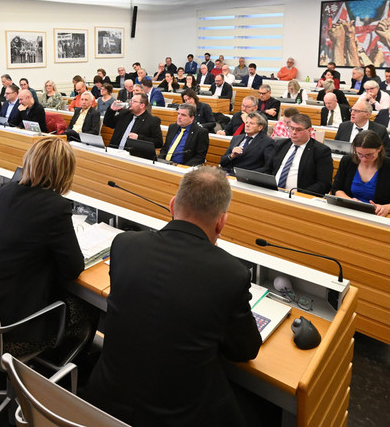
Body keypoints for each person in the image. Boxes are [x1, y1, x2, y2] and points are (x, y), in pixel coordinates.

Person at [84, 167, 262, 426]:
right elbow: (245, 350)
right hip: (178, 417)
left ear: (172, 206)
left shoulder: (124, 244)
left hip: (104, 401)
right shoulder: (231, 274)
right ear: (221, 222)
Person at [0, 138, 86, 356]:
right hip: (16, 327)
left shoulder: (6, 191)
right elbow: (73, 269)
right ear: (65, 171)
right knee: (86, 308)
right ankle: (56, 376)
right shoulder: (57, 207)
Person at [332, 130, 390, 217]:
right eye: (359, 154)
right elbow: (336, 189)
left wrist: (387, 208)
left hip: (379, 216)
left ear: (379, 149)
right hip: (349, 211)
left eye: (369, 155)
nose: (364, 159)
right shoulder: (347, 161)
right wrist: (349, 201)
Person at [263, 113, 333, 195]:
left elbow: (324, 184)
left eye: (298, 130)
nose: (293, 132)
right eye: (291, 128)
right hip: (273, 192)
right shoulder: (281, 144)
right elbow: (267, 169)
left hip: (300, 197)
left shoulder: (321, 151)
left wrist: (299, 195)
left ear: (309, 130)